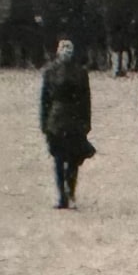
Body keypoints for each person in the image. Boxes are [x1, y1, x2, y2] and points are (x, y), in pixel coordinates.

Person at [38, 36, 94, 210]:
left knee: (72, 159)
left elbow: (86, 100)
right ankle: (63, 194)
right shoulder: (50, 72)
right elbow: (44, 100)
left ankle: (69, 192)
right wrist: (44, 123)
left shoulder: (80, 73)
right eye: (63, 50)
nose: (66, 54)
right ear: (58, 52)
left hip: (73, 120)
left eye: (69, 50)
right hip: (57, 120)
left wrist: (86, 123)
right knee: (60, 159)